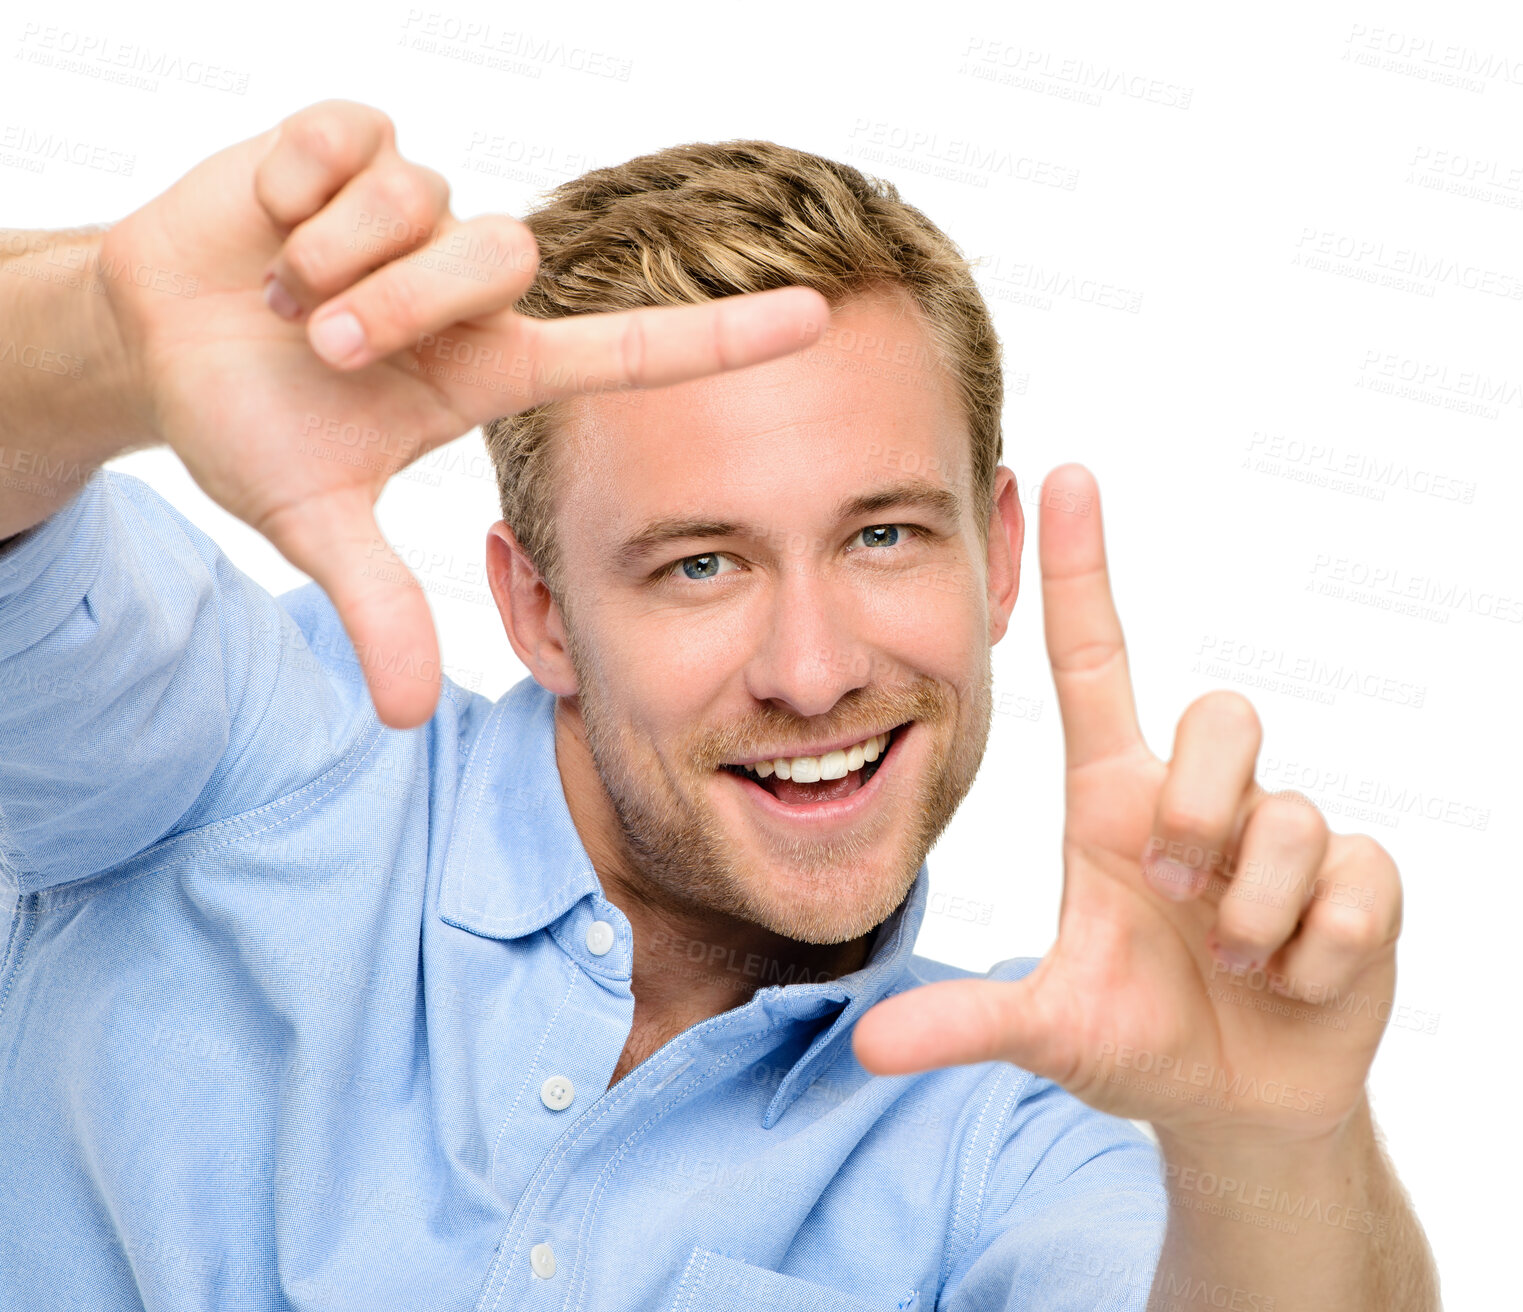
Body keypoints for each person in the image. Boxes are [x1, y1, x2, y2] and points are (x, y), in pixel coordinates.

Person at [0, 99, 1439, 1310]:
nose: (812, 673)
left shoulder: (1022, 1119)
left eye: (883, 535)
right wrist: (97, 341)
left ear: (995, 557)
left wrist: (1282, 1144)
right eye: (699, 564)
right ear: (540, 610)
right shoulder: (243, 766)